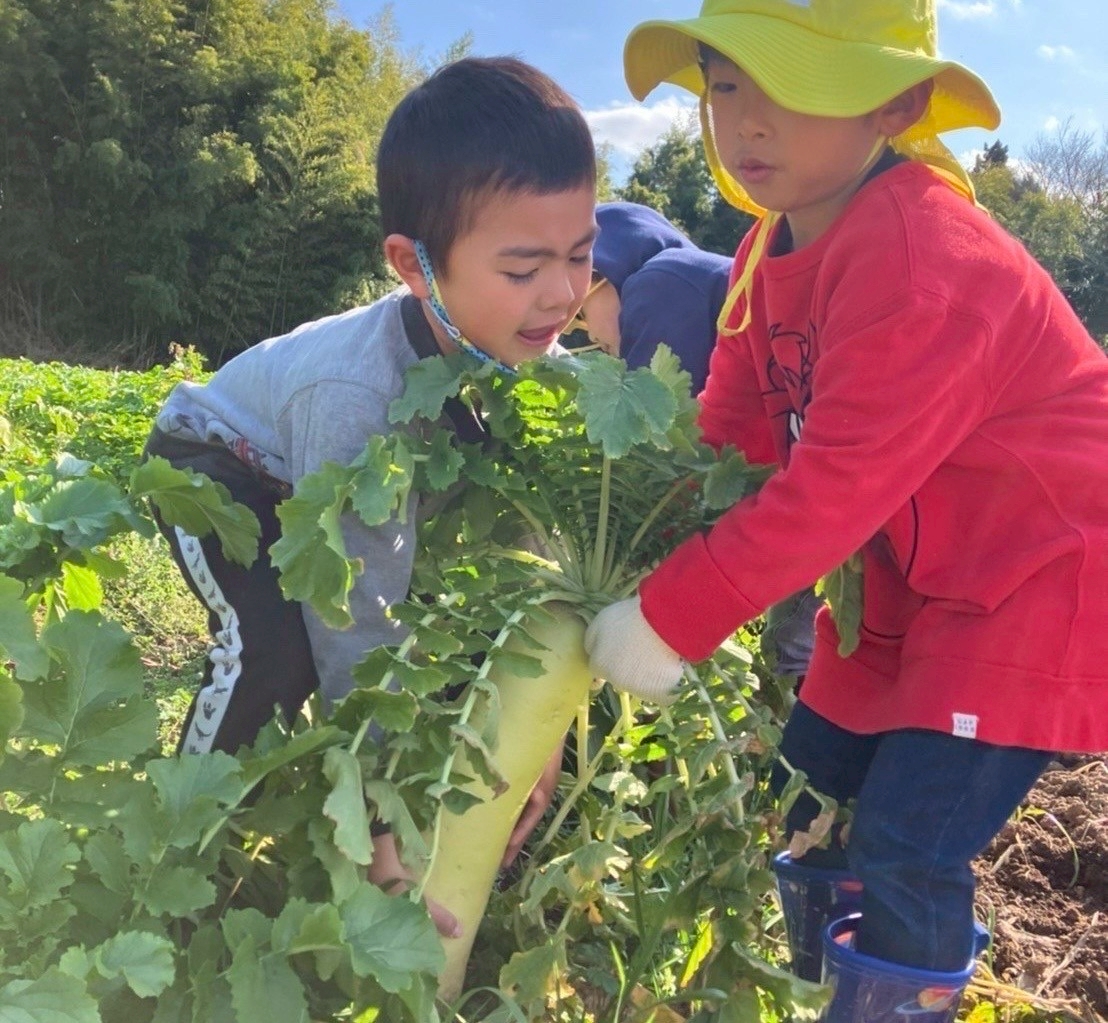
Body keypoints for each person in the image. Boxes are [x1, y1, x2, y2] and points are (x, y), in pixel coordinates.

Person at [583, 0, 1108, 1018]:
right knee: (808, 788)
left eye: (792, 89)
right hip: (903, 579)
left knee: (908, 841)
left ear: (894, 106)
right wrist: (641, 546)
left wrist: (669, 615)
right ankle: (829, 991)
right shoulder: (762, 252)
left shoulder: (922, 256)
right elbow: (731, 434)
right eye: (725, 85)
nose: (746, 121)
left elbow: (835, 487)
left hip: (1038, 577)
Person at [144, 56, 598, 937]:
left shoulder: (542, 372)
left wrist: (540, 730)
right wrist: (377, 831)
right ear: (413, 266)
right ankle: (178, 843)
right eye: (522, 268)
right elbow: (355, 615)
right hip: (220, 465)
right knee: (275, 650)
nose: (562, 294)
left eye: (581, 254)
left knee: (449, 642)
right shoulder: (358, 398)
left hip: (322, 475)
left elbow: (532, 569)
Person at [570, 201, 732, 394]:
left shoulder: (662, 281)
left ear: (607, 268)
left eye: (580, 314)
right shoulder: (691, 276)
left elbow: (648, 409)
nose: (591, 335)